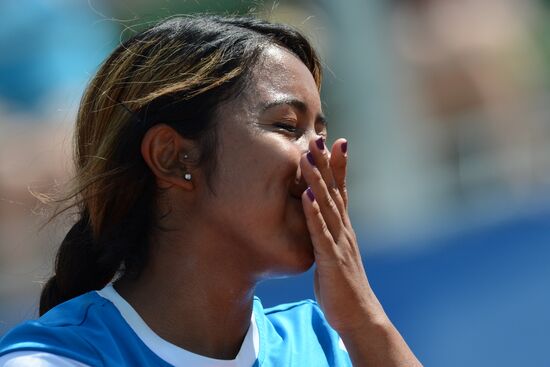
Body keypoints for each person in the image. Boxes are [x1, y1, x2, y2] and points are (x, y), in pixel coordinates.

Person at [0, 15, 422, 366]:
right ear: (173, 156)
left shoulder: (330, 346)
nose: (320, 158)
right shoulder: (57, 360)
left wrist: (364, 319)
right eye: (288, 127)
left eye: (321, 134)